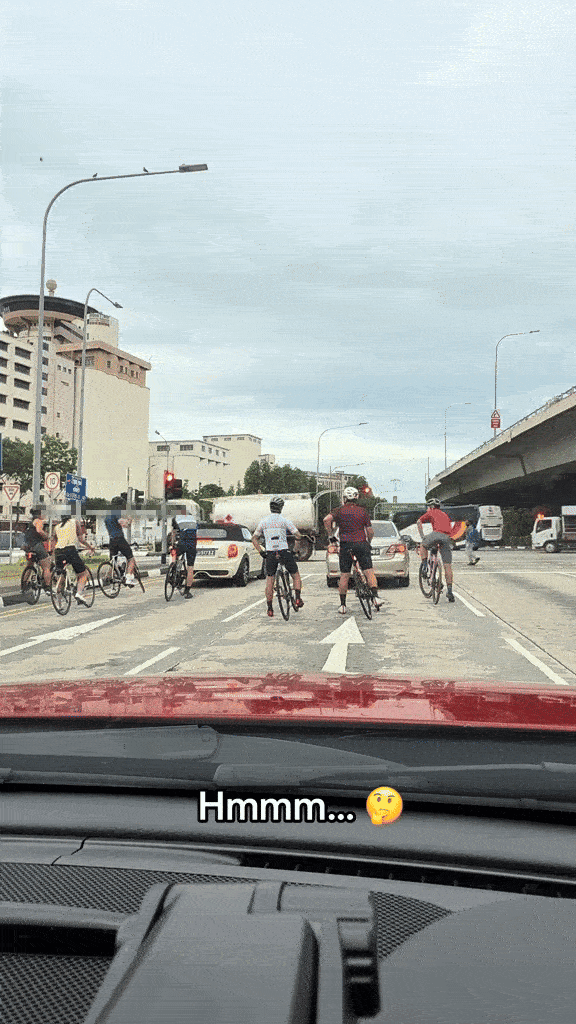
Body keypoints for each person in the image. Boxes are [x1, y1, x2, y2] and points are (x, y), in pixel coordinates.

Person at [323, 486, 382, 615]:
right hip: (361, 544)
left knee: (344, 574)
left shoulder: (339, 510)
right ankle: (376, 598)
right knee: (368, 571)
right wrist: (368, 542)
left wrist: (331, 535)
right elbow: (370, 531)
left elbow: (326, 520)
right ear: (357, 498)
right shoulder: (363, 511)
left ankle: (343, 605)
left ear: (345, 498)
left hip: (345, 545)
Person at [252, 497, 304, 617]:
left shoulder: (264, 521)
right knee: (295, 575)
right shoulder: (284, 520)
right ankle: (297, 599)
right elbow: (298, 535)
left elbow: (254, 538)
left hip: (270, 552)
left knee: (270, 579)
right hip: (284, 551)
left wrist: (261, 551)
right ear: (281, 508)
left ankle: (270, 609)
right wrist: (295, 550)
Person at [52, 512, 95, 606]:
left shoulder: (57, 527)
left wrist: (52, 554)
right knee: (83, 573)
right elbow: (81, 539)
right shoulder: (75, 522)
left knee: (62, 574)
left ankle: (59, 601)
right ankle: (79, 593)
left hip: (58, 551)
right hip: (70, 550)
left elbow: (54, 541)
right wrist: (89, 547)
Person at [417, 499, 456, 602]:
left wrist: (422, 537)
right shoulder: (445, 514)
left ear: (431, 507)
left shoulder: (431, 512)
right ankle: (450, 591)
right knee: (447, 565)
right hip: (447, 537)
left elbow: (419, 522)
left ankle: (425, 566)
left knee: (423, 545)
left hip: (436, 534)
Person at [105, 499, 136, 587]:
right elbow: (124, 524)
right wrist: (129, 520)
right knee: (131, 559)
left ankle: (113, 575)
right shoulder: (116, 512)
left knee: (113, 560)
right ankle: (129, 579)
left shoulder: (107, 516)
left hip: (111, 540)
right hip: (120, 539)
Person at [169, 513, 197, 598]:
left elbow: (173, 533)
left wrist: (172, 544)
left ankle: (173, 570)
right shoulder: (194, 520)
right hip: (192, 545)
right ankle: (187, 591)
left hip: (182, 543)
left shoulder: (176, 518)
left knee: (174, 553)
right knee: (190, 568)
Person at [23, 508, 52, 590]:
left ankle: (24, 585)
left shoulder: (30, 523)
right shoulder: (38, 521)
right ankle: (47, 587)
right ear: (40, 514)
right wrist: (46, 536)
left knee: (29, 565)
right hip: (36, 545)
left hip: (28, 546)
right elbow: (39, 530)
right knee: (46, 566)